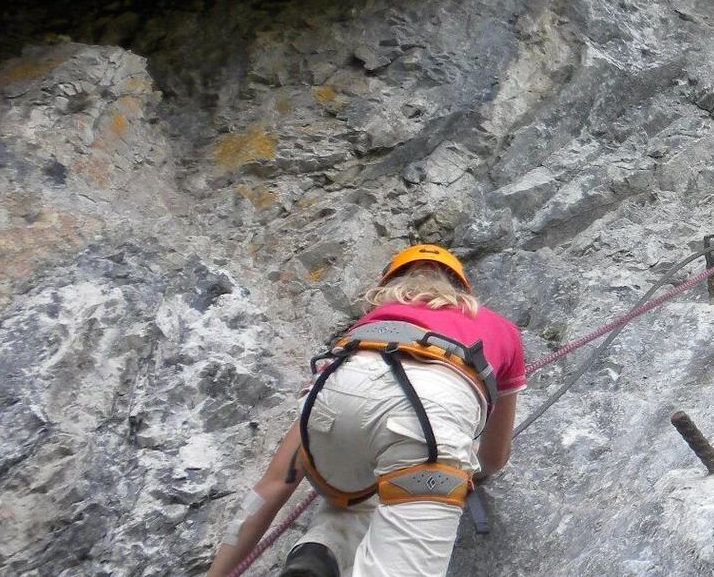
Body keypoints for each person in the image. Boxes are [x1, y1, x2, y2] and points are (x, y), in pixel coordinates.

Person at [206, 245, 526, 577]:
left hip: (338, 388)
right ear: (461, 289)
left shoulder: (371, 326)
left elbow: (274, 484)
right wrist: (462, 462)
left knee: (359, 485)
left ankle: (320, 552)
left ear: (388, 287)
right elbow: (493, 459)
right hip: (433, 409)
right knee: (399, 484)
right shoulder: (498, 327)